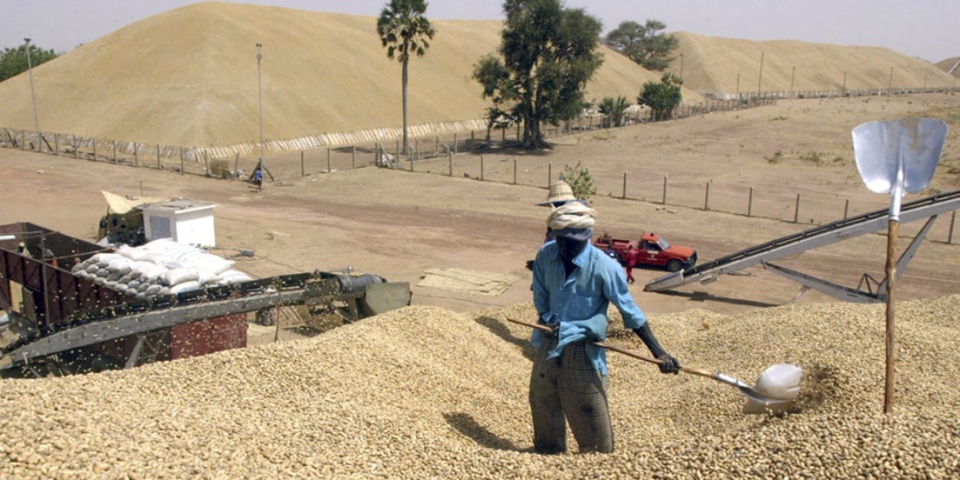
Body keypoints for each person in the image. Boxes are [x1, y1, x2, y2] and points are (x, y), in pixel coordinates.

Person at [528, 202, 680, 454]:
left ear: (587, 237)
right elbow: (541, 293)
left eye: (574, 241)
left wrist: (659, 352)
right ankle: (548, 453)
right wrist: (547, 318)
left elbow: (630, 312)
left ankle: (598, 460)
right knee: (542, 399)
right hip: (550, 340)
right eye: (562, 239)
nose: (566, 247)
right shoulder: (546, 254)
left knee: (588, 407)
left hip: (583, 348)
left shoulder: (605, 267)